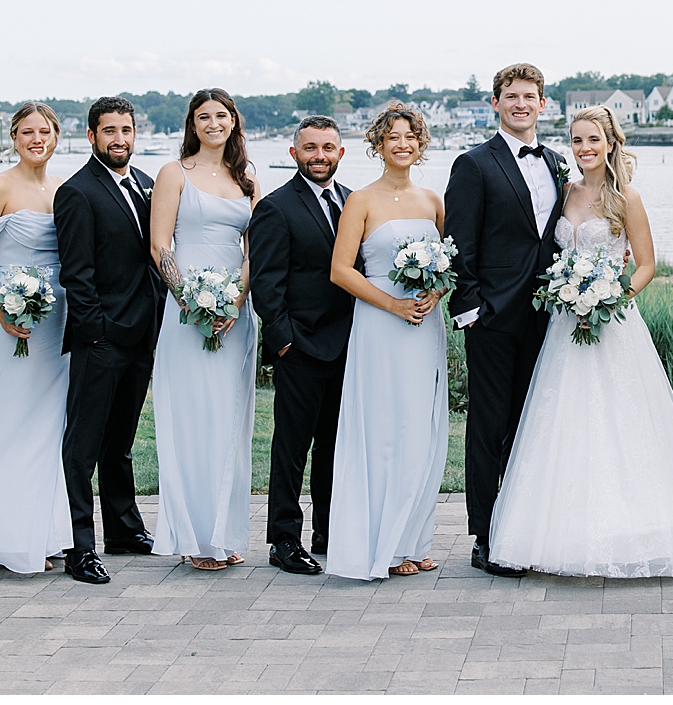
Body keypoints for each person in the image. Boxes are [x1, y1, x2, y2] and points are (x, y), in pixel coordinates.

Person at [489, 107, 673, 581]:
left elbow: (646, 265)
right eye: (577, 140)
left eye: (593, 140)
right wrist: (569, 294)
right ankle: (556, 533)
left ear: (610, 144)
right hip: (565, 324)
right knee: (563, 421)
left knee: (621, 422)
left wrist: (608, 298)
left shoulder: (627, 198)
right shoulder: (564, 192)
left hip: (612, 323)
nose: (584, 149)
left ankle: (631, 528)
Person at [443, 64, 567, 577]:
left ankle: (524, 528)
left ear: (543, 104)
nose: (521, 104)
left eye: (529, 96)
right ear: (495, 103)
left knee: (531, 425)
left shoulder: (558, 162)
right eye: (511, 96)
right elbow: (458, 241)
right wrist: (470, 308)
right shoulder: (473, 164)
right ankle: (485, 535)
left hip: (549, 315)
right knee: (489, 426)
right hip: (492, 316)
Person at [326, 104, 451, 579]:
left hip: (424, 327)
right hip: (380, 325)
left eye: (410, 137)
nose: (402, 144)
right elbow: (341, 271)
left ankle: (413, 540)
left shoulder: (433, 201)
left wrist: (435, 294)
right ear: (378, 144)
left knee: (420, 428)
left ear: (421, 145)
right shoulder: (361, 201)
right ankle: (383, 543)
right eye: (393, 137)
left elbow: (446, 266)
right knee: (383, 428)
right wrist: (393, 305)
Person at [0, 102, 71, 574]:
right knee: (10, 420)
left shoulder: (62, 189)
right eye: (27, 132)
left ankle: (44, 533)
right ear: (14, 138)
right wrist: (1, 311)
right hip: (10, 319)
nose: (36, 139)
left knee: (49, 425)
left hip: (56, 319)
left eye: (44, 131)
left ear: (56, 137)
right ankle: (4, 538)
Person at [53, 97, 167, 585]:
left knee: (119, 442)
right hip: (101, 340)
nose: (119, 139)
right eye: (109, 131)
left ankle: (123, 528)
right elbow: (76, 274)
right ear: (91, 136)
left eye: (126, 130)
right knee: (82, 447)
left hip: (143, 334)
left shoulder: (145, 184)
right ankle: (80, 546)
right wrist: (95, 332)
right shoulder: (77, 192)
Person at [148, 88, 258, 571]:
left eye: (221, 115)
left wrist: (235, 301)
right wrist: (191, 304)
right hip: (186, 313)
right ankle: (194, 536)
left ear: (233, 122)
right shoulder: (174, 173)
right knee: (193, 418)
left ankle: (224, 531)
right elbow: (160, 247)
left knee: (230, 421)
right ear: (192, 125)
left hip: (235, 313)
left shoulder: (248, 178)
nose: (213, 123)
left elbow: (254, 250)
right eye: (203, 117)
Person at [249, 116, 356, 576]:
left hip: (349, 346)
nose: (319, 156)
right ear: (294, 153)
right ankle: (284, 539)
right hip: (301, 347)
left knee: (334, 445)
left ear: (340, 153)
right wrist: (283, 343)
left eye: (327, 148)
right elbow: (266, 284)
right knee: (291, 448)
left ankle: (327, 531)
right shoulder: (275, 207)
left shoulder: (353, 201)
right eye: (310, 148)